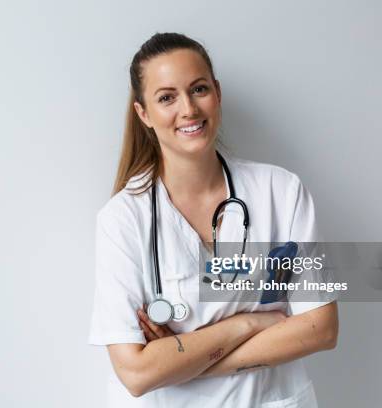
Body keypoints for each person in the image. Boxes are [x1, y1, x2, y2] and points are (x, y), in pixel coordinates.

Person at [88, 32, 339, 407]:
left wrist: (180, 360)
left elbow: (321, 328)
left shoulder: (281, 192)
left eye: (199, 89)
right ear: (144, 114)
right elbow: (136, 374)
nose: (188, 109)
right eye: (167, 97)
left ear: (217, 93)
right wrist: (249, 322)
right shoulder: (123, 219)